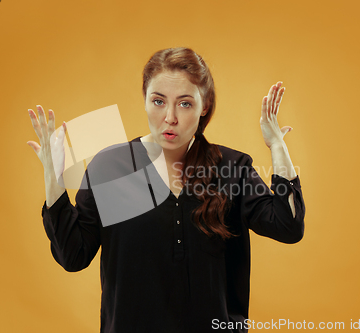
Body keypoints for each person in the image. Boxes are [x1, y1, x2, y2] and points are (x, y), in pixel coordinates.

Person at [27, 47, 305, 333]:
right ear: (145, 101)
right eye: (158, 101)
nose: (170, 117)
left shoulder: (232, 168)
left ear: (204, 106)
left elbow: (288, 226)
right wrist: (54, 177)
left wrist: (278, 148)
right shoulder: (110, 168)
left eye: (184, 104)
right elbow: (73, 255)